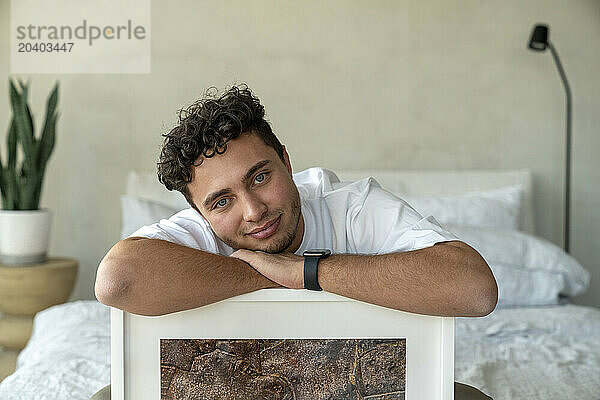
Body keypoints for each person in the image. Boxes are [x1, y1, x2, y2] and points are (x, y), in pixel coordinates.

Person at [93, 85, 497, 400]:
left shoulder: (353, 208)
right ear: (200, 214)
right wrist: (269, 276)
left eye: (260, 177)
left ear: (287, 162)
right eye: (222, 201)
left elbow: (475, 291)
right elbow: (117, 281)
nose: (252, 211)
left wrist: (307, 270)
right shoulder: (198, 233)